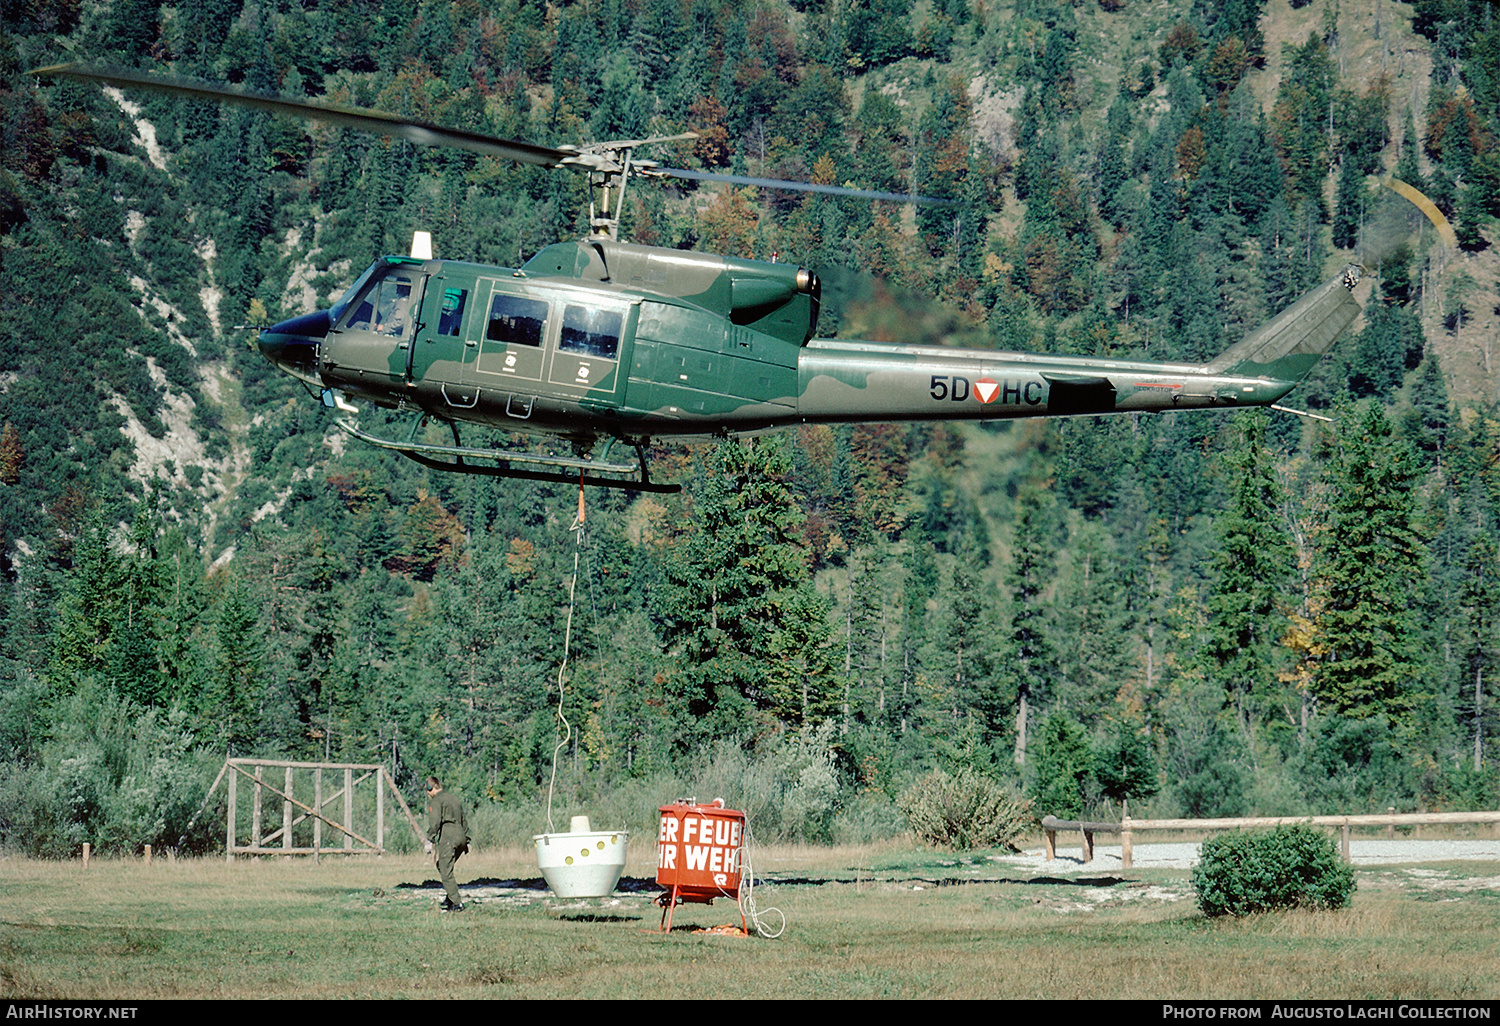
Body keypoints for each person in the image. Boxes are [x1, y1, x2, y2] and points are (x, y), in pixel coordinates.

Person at [424, 776, 471, 912]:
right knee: (443, 866)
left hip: (448, 836)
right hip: (461, 835)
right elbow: (464, 820)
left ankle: (457, 903)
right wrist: (467, 839)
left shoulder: (437, 800)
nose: (428, 794)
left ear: (431, 788)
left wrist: (430, 838)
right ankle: (450, 897)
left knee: (445, 870)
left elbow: (435, 821)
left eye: (428, 791)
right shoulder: (454, 799)